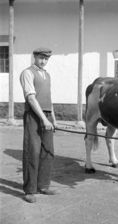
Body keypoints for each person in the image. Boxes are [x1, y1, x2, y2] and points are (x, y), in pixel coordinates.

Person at [20, 47, 58, 203]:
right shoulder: (27, 73)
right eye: (41, 58)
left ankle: (43, 185)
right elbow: (31, 98)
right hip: (34, 116)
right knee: (32, 152)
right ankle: (30, 190)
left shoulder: (47, 75)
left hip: (47, 116)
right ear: (34, 57)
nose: (43, 61)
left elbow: (49, 99)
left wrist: (53, 119)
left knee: (47, 151)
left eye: (46, 59)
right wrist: (43, 119)